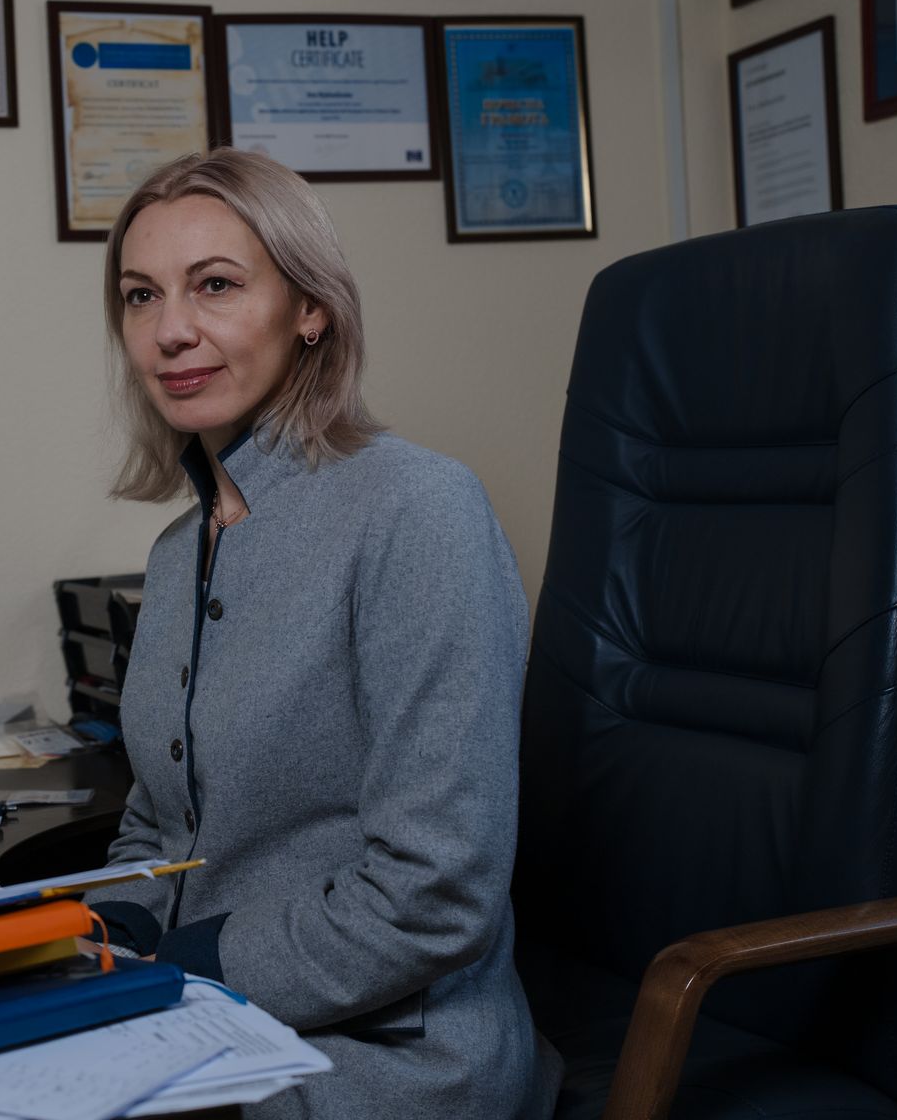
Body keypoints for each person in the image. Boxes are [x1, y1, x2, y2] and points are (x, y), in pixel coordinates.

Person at [85, 150, 560, 1119]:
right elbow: (162, 817)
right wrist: (102, 927)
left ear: (309, 307)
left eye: (215, 285)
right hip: (202, 1018)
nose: (171, 330)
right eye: (141, 295)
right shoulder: (180, 548)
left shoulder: (417, 509)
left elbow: (439, 891)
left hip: (382, 1053)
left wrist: (175, 968)